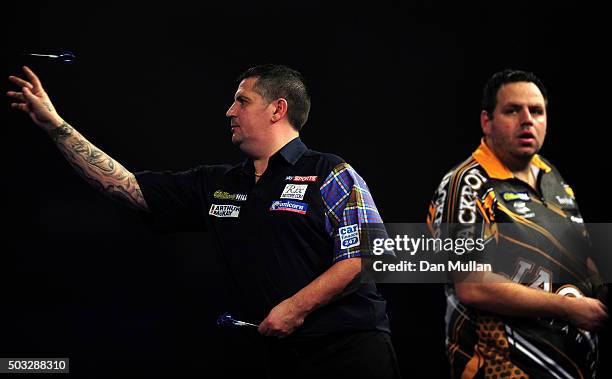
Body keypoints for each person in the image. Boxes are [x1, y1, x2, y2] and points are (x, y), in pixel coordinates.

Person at [8, 64, 401, 378]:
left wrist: (295, 308)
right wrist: (55, 126)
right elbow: (126, 187)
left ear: (277, 109)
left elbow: (368, 254)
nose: (229, 111)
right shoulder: (219, 184)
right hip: (270, 356)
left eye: (241, 101)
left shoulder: (330, 171)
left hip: (347, 352)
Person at [426, 69, 608, 379]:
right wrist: (568, 309)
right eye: (512, 110)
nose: (527, 120)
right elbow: (471, 285)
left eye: (536, 111)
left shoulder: (552, 176)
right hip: (503, 368)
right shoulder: (465, 183)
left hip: (572, 367)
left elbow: (584, 257)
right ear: (487, 121)